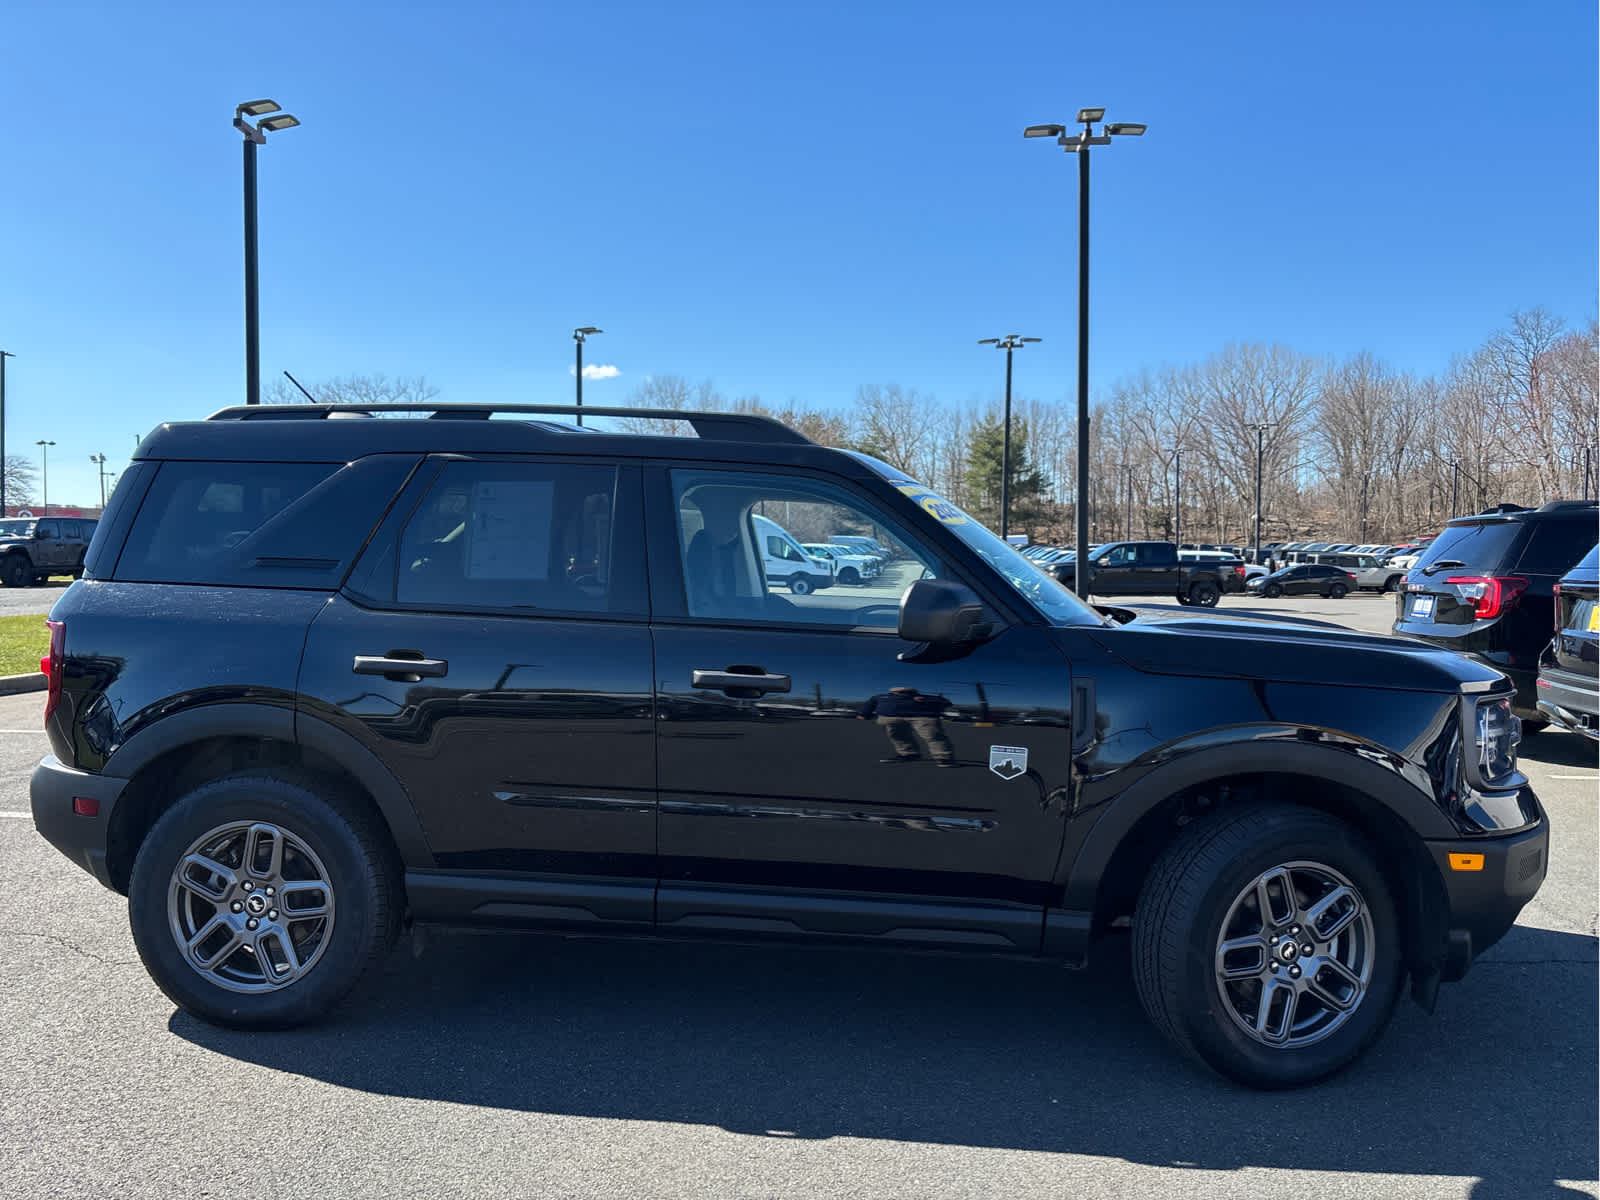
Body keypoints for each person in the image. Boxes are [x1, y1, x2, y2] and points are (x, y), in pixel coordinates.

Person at [859, 686, 956, 766]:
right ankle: (909, 754)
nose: (902, 692)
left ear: (913, 691)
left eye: (906, 691)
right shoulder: (880, 696)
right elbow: (870, 704)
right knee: (898, 736)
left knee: (933, 736)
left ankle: (944, 757)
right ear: (892, 691)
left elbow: (946, 703)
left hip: (922, 717)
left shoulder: (926, 696)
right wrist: (864, 714)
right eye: (899, 691)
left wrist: (928, 701)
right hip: (891, 718)